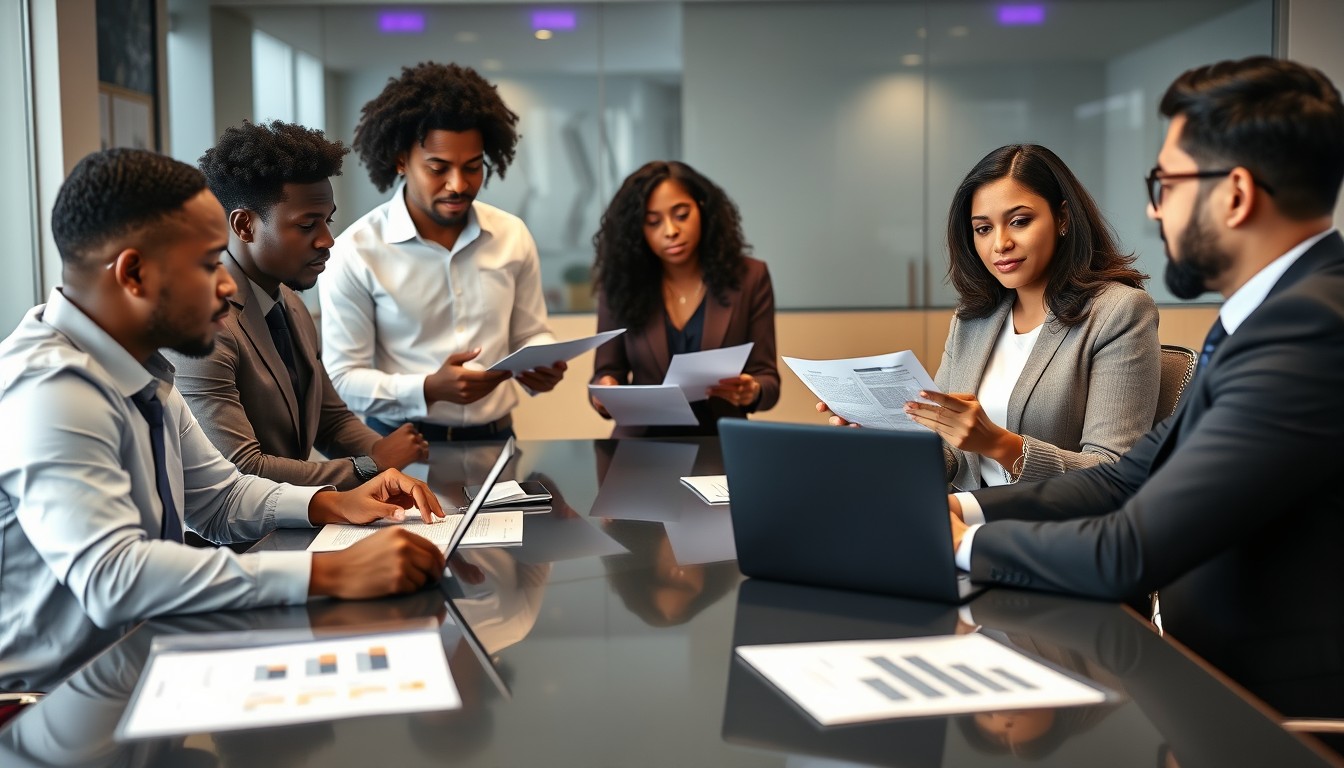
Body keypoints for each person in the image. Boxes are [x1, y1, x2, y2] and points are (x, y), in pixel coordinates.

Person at [948, 57, 1344, 728]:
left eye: (1165, 182)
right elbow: (1126, 479)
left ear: (1236, 194)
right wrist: (962, 507)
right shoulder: (1268, 314)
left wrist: (957, 544)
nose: (1151, 206)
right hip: (1200, 684)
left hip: (1275, 721)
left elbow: (1128, 551)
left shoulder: (1310, 329)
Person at [0, 148, 449, 691]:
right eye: (209, 263)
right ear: (135, 273)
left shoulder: (139, 368)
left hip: (124, 673)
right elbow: (113, 577)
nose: (229, 284)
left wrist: (336, 503)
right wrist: (329, 572)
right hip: (44, 702)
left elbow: (221, 499)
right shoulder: (50, 389)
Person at [821, 144, 1160, 489]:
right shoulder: (972, 321)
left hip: (1054, 528)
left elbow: (1114, 474)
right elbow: (951, 457)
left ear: (1063, 218)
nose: (1000, 244)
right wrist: (883, 441)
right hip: (969, 514)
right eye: (983, 229)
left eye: (1019, 221)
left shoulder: (1119, 312)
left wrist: (998, 443)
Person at [164, 120, 428, 492]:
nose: (328, 240)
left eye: (328, 221)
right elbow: (241, 470)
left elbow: (330, 420)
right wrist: (373, 465)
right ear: (244, 226)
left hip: (286, 526)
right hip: (227, 543)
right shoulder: (203, 325)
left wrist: (387, 458)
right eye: (307, 226)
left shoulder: (289, 301)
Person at [320, 62, 565, 443]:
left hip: (498, 441)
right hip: (402, 447)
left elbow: (531, 332)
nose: (458, 184)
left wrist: (543, 359)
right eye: (438, 168)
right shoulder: (357, 251)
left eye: (472, 167)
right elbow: (342, 379)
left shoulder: (511, 234)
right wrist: (429, 388)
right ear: (401, 161)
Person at [590, 160, 779, 437]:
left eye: (681, 215)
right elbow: (607, 372)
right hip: (640, 448)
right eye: (653, 222)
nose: (670, 231)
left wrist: (752, 390)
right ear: (636, 231)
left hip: (722, 441)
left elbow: (768, 380)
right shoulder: (620, 283)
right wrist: (605, 390)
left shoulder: (751, 277)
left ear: (703, 209)